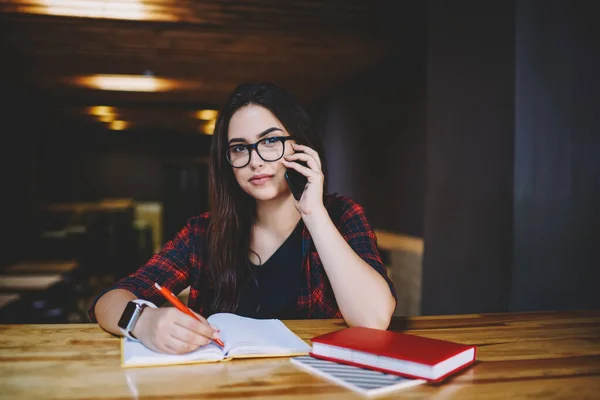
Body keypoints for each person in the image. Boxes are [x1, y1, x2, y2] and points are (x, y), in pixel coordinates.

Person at [89, 82, 397, 355]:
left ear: (300, 145)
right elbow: (108, 300)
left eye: (269, 141)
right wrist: (143, 321)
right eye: (239, 148)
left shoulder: (342, 216)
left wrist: (314, 214)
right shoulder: (202, 233)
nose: (255, 161)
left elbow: (372, 320)